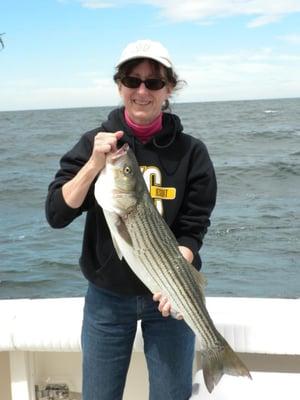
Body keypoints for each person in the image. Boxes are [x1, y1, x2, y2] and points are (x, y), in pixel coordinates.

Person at [45, 39, 217, 400]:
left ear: (169, 89)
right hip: (106, 299)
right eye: (131, 80)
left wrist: (178, 276)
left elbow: (193, 227)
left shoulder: (192, 153)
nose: (142, 91)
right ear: (119, 85)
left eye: (154, 82)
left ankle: (218, 353)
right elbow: (57, 214)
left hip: (169, 299)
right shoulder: (94, 144)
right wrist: (94, 163)